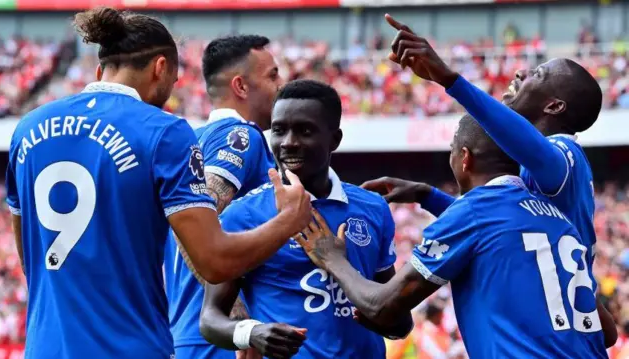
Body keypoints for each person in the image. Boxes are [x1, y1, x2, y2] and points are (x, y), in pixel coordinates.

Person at [4, 8, 311, 359]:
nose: (170, 91)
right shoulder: (164, 132)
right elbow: (213, 260)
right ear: (160, 68)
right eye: (175, 80)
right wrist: (289, 220)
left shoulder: (28, 128)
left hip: (44, 348)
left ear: (100, 69)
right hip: (129, 347)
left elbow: (31, 258)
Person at [362, 14, 617, 347]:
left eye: (536, 73)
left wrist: (450, 79)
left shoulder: (563, 150)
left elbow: (532, 156)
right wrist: (427, 195)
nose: (520, 71)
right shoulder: (532, 183)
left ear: (554, 106)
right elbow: (492, 224)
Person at [297, 114, 608, 358]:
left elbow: (382, 305)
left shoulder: (474, 211)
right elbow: (605, 331)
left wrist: (334, 259)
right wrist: (426, 194)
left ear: (464, 158)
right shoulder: (555, 218)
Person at [199, 79, 413, 359]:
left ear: (334, 139)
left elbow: (400, 320)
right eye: (279, 130)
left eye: (305, 131)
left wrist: (385, 320)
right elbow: (210, 319)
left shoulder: (372, 208)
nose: (288, 143)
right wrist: (251, 333)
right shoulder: (243, 215)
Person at [164, 34, 282, 359]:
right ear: (241, 87)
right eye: (272, 75)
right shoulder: (240, 135)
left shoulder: (192, 141)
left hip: (188, 332)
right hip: (221, 342)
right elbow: (195, 217)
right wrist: (238, 318)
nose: (281, 85)